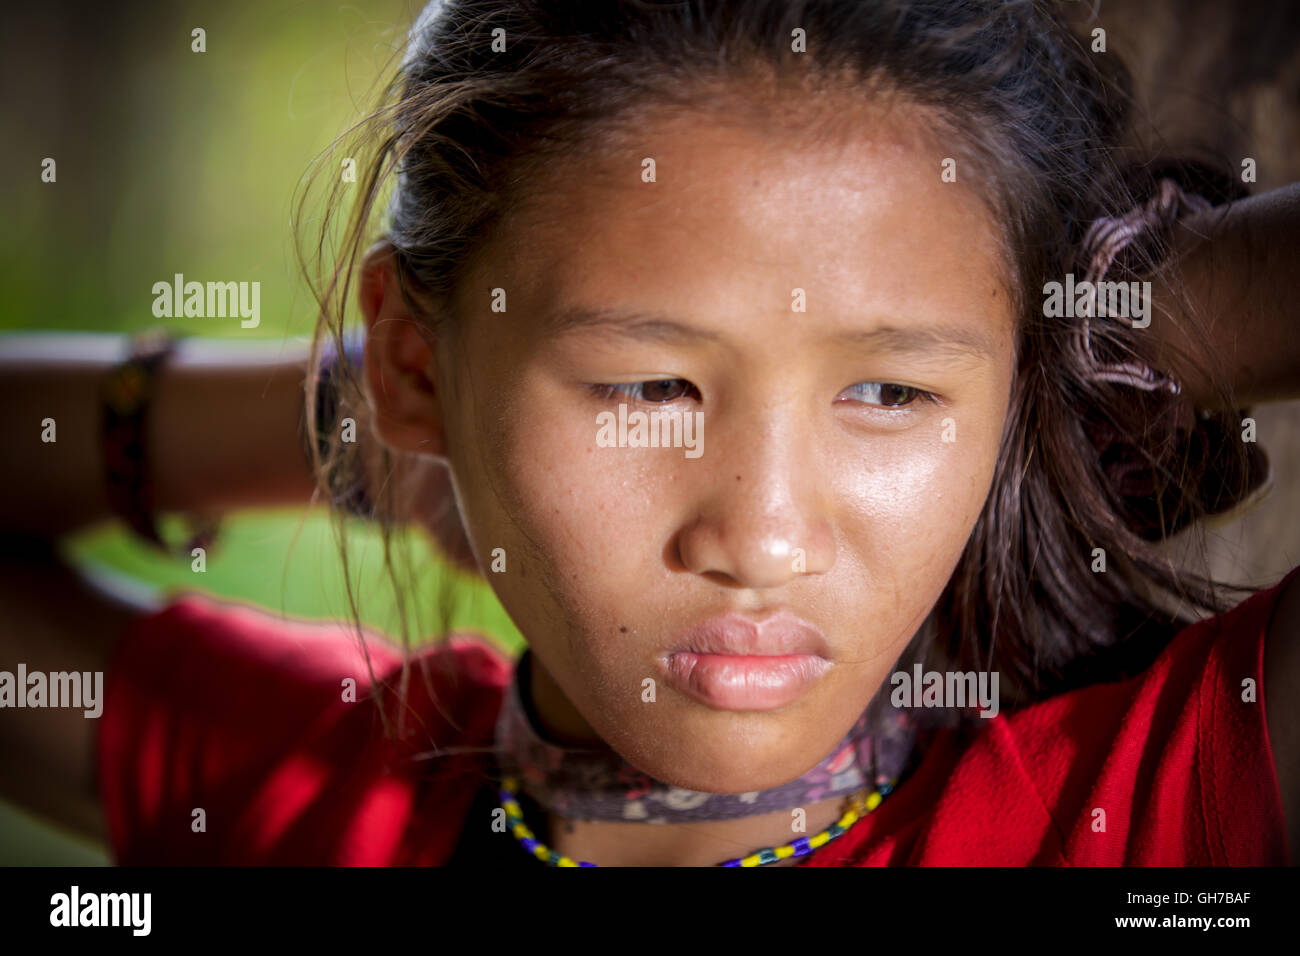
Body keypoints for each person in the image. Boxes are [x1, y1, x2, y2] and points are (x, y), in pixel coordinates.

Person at [1, 0, 1298, 867]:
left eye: (893, 391)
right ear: (412, 356)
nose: (764, 537)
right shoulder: (332, 806)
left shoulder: (1145, 816)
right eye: (645, 388)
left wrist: (1120, 334)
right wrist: (386, 431)